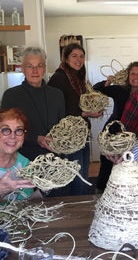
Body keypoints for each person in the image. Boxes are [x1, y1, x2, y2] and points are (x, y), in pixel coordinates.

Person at [48, 43, 103, 196]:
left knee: (82, 173)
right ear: (65, 58)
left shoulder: (76, 78)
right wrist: (85, 114)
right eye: (74, 56)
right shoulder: (59, 78)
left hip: (81, 132)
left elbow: (77, 103)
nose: (79, 60)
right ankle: (76, 207)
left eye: (81, 56)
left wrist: (93, 104)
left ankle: (81, 204)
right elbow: (56, 111)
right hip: (69, 136)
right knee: (77, 175)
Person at [1, 46, 65, 161]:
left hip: (54, 161)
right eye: (30, 66)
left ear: (44, 68)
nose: (35, 71)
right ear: (22, 69)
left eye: (39, 66)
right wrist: (36, 139)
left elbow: (62, 127)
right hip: (22, 160)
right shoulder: (11, 96)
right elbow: (4, 130)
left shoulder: (57, 95)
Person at [93, 61, 138, 191]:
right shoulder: (120, 90)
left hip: (135, 136)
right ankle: (100, 193)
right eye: (132, 74)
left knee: (128, 167)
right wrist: (107, 82)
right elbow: (97, 88)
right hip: (113, 133)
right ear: (128, 76)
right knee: (106, 165)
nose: (135, 77)